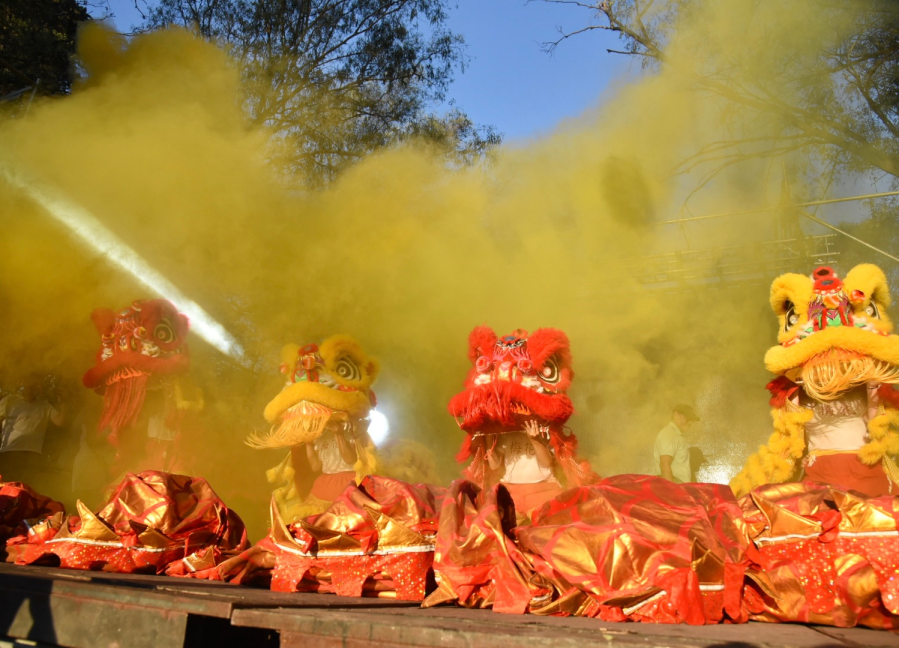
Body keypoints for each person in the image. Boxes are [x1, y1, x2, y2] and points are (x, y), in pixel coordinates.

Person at [0, 376, 66, 482]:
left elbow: (60, 422)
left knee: (29, 488)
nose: (33, 388)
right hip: (10, 452)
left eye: (36, 386)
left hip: (33, 454)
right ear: (24, 385)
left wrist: (63, 403)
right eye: (30, 385)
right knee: (7, 487)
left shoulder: (44, 406)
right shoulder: (9, 401)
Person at [653, 404, 699, 483]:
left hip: (678, 486)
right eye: (686, 417)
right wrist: (671, 492)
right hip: (674, 485)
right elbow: (664, 465)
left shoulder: (676, 435)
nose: (690, 421)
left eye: (691, 418)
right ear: (675, 415)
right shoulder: (669, 434)